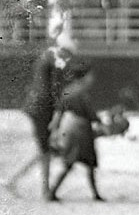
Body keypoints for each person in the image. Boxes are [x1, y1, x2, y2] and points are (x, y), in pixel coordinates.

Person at [4, 45, 62, 199]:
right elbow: (48, 94)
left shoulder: (43, 67)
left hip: (37, 109)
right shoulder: (48, 69)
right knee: (45, 151)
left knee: (44, 151)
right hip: (41, 111)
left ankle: (17, 182)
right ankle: (39, 188)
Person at [46, 62, 103, 202]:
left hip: (69, 128)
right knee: (89, 163)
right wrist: (99, 120)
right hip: (82, 130)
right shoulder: (82, 92)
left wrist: (54, 130)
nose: (92, 78)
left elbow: (59, 112)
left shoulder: (68, 90)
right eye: (90, 75)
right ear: (84, 76)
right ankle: (95, 194)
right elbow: (90, 113)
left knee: (70, 162)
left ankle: (53, 191)